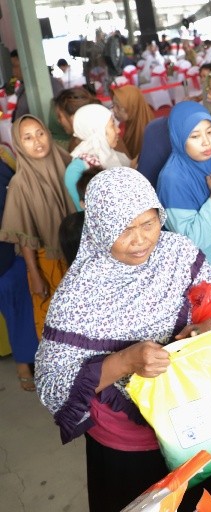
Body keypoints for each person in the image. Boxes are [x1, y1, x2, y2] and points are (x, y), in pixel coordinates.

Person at [35, 168, 211, 512]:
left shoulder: (178, 254)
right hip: (129, 447)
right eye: (124, 229)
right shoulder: (78, 293)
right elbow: (51, 382)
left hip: (196, 418)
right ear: (99, 228)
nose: (141, 240)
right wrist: (126, 362)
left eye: (148, 223)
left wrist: (207, 328)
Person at [156, 102, 211, 326]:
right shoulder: (173, 178)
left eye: (210, 132)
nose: (206, 142)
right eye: (195, 136)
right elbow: (193, 239)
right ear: (178, 137)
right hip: (205, 264)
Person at [0, 115, 73, 338]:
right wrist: (35, 275)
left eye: (40, 133)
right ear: (19, 145)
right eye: (28, 138)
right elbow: (25, 238)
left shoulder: (67, 162)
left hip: (79, 254)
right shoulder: (20, 184)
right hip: (48, 263)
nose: (37, 141)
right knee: (57, 322)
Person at [0, 153, 39, 392]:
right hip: (6, 253)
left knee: (22, 307)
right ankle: (23, 364)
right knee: (13, 304)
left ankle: (29, 357)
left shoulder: (4, 160)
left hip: (15, 248)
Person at [65, 104, 130, 209]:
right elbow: (85, 214)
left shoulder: (113, 156)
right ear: (97, 132)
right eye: (112, 125)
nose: (118, 130)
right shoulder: (76, 170)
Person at [110, 84, 155, 160]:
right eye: (113, 105)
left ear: (132, 107)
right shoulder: (132, 124)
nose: (114, 110)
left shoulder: (147, 133)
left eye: (118, 106)